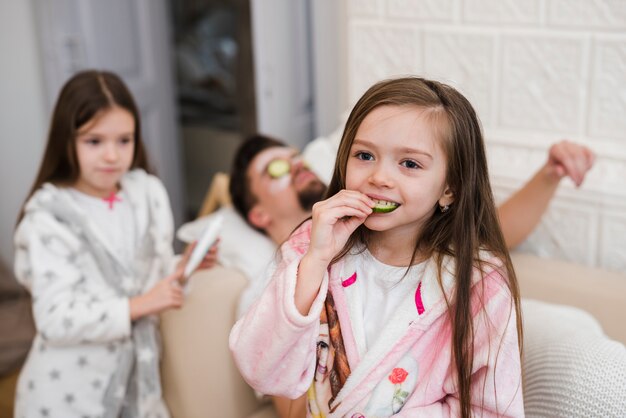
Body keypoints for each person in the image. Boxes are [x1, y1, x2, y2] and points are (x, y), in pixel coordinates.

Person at [230, 76, 524, 416]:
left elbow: (493, 409)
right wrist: (314, 261)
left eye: (410, 163)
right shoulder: (310, 250)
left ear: (450, 189)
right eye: (364, 155)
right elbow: (262, 371)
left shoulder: (480, 284)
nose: (379, 178)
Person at [12, 70, 217, 417]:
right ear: (67, 141)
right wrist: (137, 305)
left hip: (141, 387)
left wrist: (181, 268)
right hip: (69, 393)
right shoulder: (50, 217)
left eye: (124, 140)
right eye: (94, 141)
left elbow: (148, 271)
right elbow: (55, 318)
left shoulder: (147, 192)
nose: (112, 155)